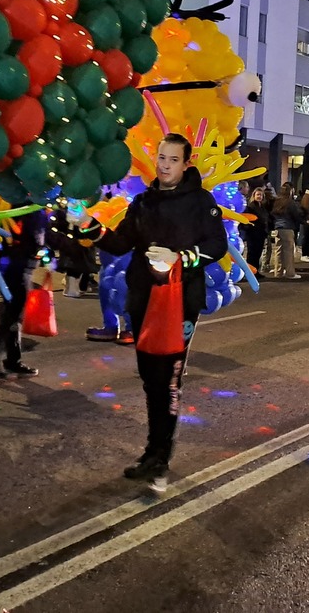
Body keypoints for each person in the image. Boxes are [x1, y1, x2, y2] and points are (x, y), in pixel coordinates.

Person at [84, 133, 228, 494]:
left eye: (172, 159)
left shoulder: (201, 203)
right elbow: (120, 242)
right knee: (150, 380)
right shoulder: (143, 202)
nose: (164, 165)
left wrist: (181, 258)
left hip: (180, 304)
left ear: (186, 163)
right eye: (161, 158)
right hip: (143, 302)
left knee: (169, 381)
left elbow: (217, 245)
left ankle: (161, 458)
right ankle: (152, 452)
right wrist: (90, 228)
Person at [0, 209, 45, 379]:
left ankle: (12, 360)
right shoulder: (29, 207)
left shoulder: (18, 205)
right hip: (17, 267)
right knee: (11, 316)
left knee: (14, 316)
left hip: (14, 266)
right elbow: (33, 238)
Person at [269, 183, 302, 279]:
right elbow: (296, 215)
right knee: (288, 251)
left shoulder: (277, 202)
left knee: (279, 251)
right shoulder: (290, 202)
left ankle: (278, 272)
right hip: (288, 228)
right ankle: (290, 273)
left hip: (277, 228)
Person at [241, 187, 270, 280]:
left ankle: (256, 271)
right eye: (258, 195)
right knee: (252, 254)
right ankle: (250, 273)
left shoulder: (262, 207)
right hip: (253, 234)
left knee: (258, 254)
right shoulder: (251, 207)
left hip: (261, 234)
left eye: (261, 195)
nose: (259, 196)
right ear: (254, 195)